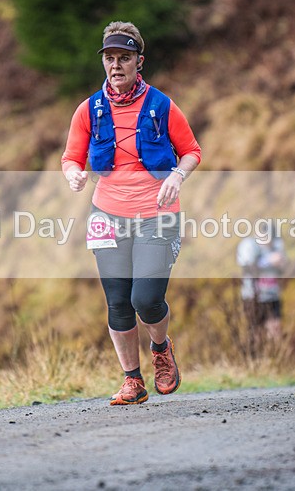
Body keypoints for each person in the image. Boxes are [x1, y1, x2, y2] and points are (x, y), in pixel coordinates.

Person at [62, 21, 201, 405]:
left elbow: (192, 151)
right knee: (118, 301)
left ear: (139, 61)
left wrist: (176, 176)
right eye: (110, 58)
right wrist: (74, 175)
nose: (116, 65)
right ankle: (132, 381)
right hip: (107, 214)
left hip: (158, 212)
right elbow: (71, 158)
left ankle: (160, 348)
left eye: (124, 58)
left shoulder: (161, 105)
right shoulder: (89, 110)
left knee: (146, 298)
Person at [236, 234, 287, 352]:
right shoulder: (249, 245)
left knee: (275, 331)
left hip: (272, 296)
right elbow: (248, 266)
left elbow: (282, 270)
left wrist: (280, 262)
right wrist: (268, 260)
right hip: (253, 297)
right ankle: (257, 362)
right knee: (256, 332)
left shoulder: (277, 247)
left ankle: (275, 360)